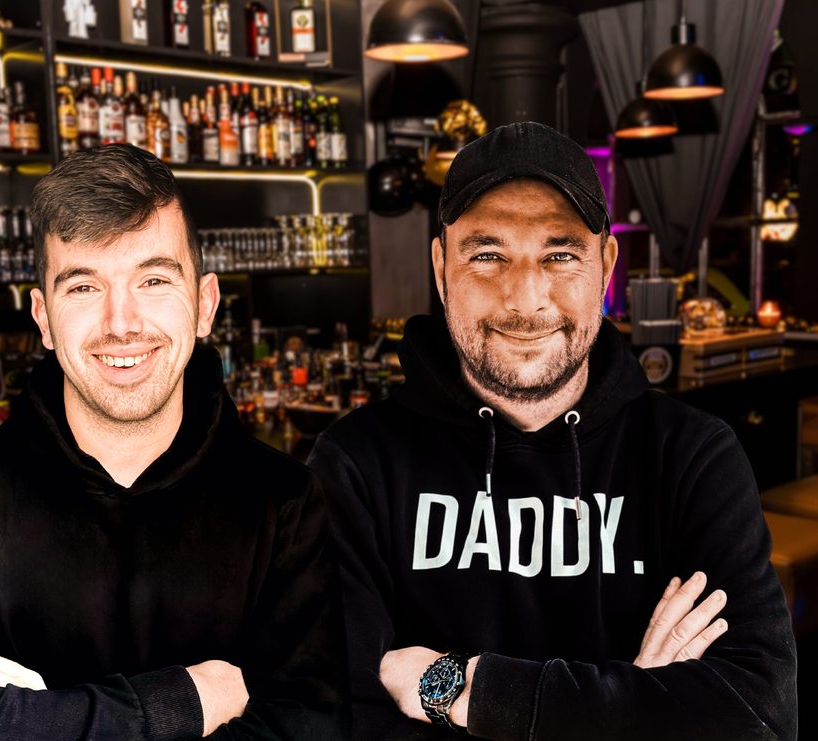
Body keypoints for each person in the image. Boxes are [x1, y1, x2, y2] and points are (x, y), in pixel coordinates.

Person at [308, 122, 797, 740]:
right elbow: (336, 722)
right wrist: (637, 705)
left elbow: (759, 717)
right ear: (440, 267)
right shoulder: (355, 467)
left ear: (606, 267)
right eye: (487, 255)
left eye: (560, 254)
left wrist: (459, 689)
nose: (526, 299)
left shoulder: (692, 456)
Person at [0, 144, 349, 740]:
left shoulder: (284, 500)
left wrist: (40, 719)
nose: (121, 323)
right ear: (44, 318)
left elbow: (307, 729)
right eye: (83, 288)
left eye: (154, 278)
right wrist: (181, 703)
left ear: (205, 304)